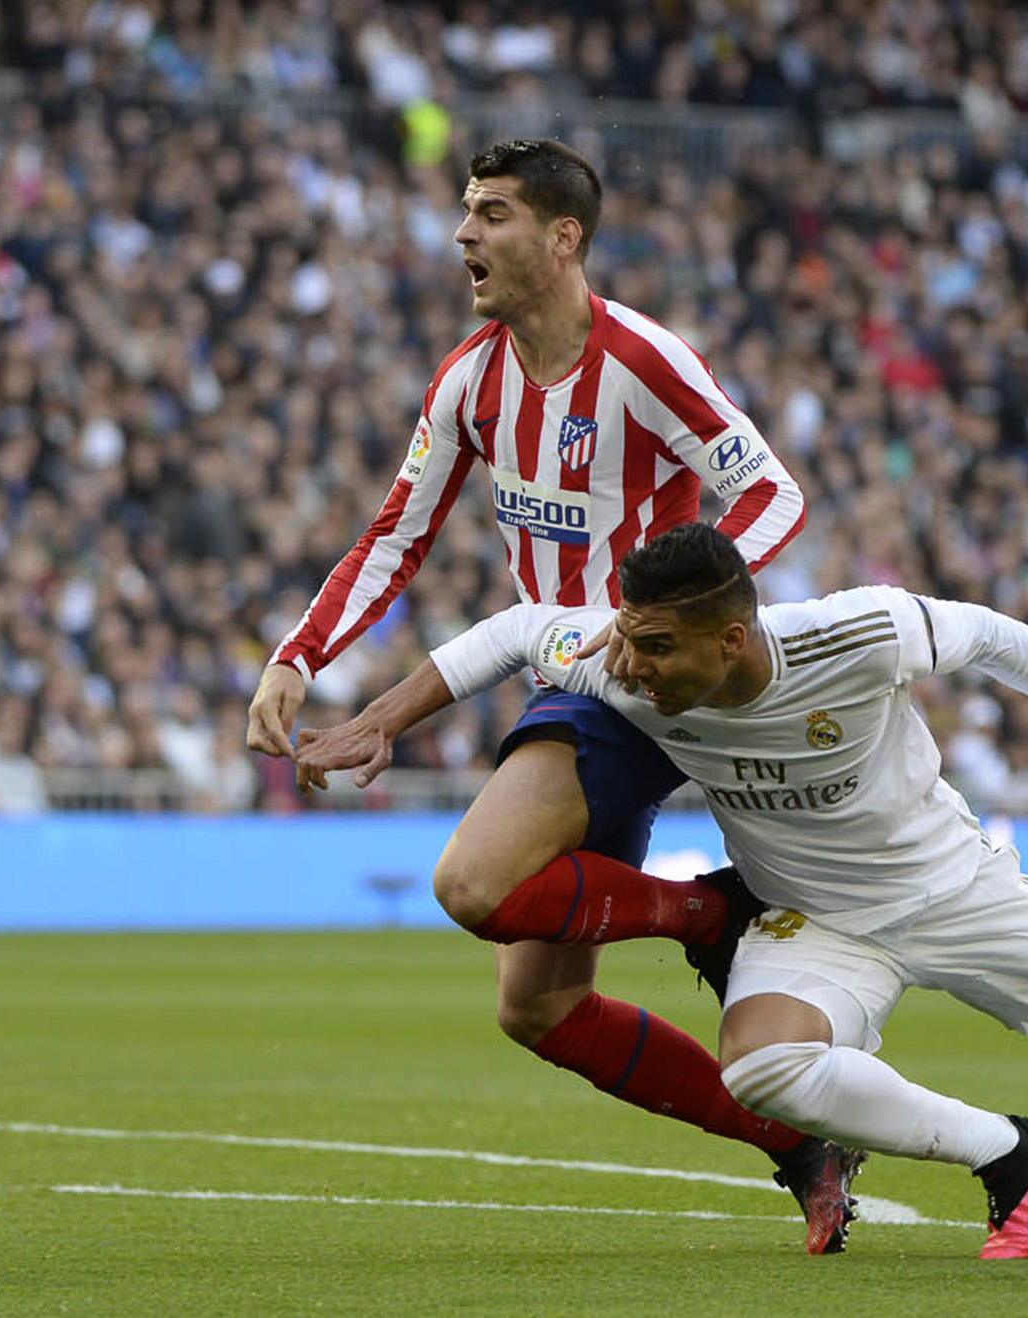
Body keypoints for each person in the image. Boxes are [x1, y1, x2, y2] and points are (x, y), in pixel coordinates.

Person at [295, 522, 1028, 1259]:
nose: (634, 667)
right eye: (630, 638)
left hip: (951, 886)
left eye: (659, 647)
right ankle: (1009, 1150)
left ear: (734, 638)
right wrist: (385, 717)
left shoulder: (858, 633)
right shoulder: (621, 659)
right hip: (817, 918)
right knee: (762, 1068)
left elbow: (990, 634)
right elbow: (514, 630)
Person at [243, 140, 864, 1252]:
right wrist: (301, 654)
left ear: (562, 237)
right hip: (575, 683)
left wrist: (679, 609)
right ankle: (799, 1140)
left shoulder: (642, 359)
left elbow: (771, 490)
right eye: (464, 214)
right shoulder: (470, 381)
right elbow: (397, 533)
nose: (464, 236)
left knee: (475, 881)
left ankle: (704, 911)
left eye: (490, 215)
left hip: (656, 683)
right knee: (537, 1006)